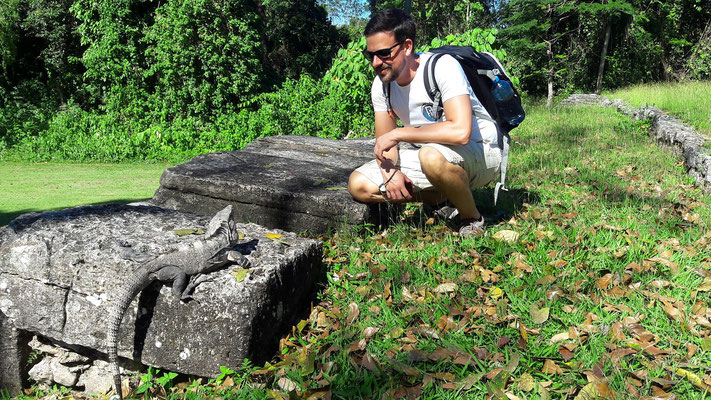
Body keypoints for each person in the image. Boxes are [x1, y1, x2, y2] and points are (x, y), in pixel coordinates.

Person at [347, 8, 502, 237]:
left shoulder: (442, 67)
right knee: (358, 185)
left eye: (383, 53)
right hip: (431, 155)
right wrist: (391, 174)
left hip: (481, 150)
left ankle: (471, 219)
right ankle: (441, 198)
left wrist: (400, 134)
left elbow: (461, 132)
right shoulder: (382, 86)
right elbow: (385, 144)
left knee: (430, 156)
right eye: (370, 55)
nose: (375, 63)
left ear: (407, 46)